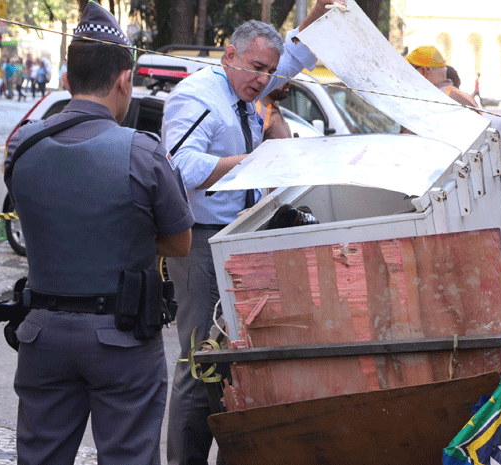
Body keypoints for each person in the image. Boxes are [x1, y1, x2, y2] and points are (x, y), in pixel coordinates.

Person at [4, 2, 195, 464]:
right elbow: (180, 243)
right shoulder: (141, 153)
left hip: (41, 335)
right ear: (124, 79)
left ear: (68, 80)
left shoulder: (22, 146)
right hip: (121, 339)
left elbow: (40, 215)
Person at [161, 1, 341, 463]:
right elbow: (179, 167)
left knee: (238, 361)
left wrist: (314, 18)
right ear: (228, 56)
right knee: (199, 362)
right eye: (257, 68)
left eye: (269, 72)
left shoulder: (247, 87)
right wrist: (250, 165)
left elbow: (291, 58)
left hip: (245, 236)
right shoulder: (199, 96)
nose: (264, 80)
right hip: (202, 240)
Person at [405, 45, 478, 109]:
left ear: (424, 71)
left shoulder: (425, 100)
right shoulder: (467, 99)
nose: (407, 74)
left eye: (411, 69)